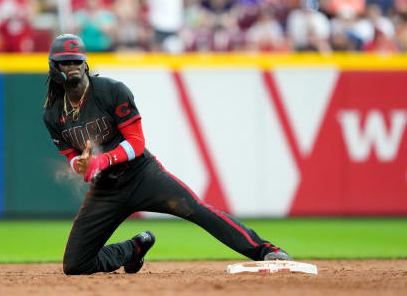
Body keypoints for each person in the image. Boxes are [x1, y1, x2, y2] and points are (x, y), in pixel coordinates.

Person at [42, 34, 293, 275]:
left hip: (142, 175)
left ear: (85, 63)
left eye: (77, 60)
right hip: (105, 189)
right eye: (66, 61)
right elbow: (72, 157)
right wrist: (80, 165)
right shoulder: (53, 114)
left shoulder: (111, 91)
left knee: (196, 209)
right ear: (54, 67)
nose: (72, 66)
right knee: (75, 265)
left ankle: (266, 250)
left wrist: (102, 160)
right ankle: (134, 248)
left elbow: (136, 142)